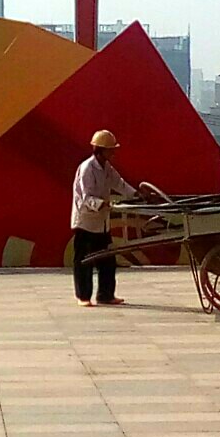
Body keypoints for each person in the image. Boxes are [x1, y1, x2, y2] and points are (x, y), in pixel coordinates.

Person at [71, 129, 137, 307]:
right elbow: (86, 197)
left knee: (107, 260)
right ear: (100, 150)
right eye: (110, 149)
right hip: (86, 222)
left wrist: (136, 195)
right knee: (84, 261)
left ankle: (105, 295)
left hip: (102, 223)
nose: (113, 152)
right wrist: (102, 204)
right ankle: (83, 296)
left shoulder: (107, 168)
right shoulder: (87, 168)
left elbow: (119, 184)